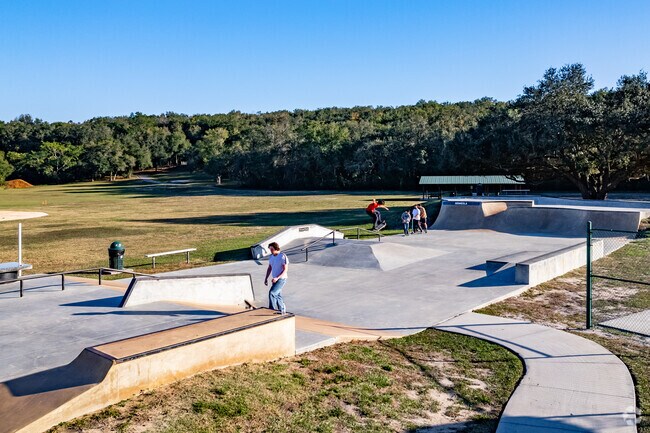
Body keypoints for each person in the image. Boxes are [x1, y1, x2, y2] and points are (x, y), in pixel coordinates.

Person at [264, 242, 288, 315]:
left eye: (272, 249)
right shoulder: (271, 257)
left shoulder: (282, 256)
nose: (271, 251)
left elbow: (285, 270)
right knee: (277, 295)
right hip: (274, 279)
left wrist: (277, 278)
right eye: (270, 249)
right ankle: (282, 310)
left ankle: (272, 310)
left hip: (281, 279)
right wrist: (266, 278)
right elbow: (269, 268)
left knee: (272, 293)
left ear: (276, 248)